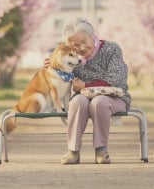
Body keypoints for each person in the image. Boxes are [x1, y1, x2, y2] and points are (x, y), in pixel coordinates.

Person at [52, 17, 131, 165]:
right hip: (84, 97)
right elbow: (59, 73)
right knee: (77, 102)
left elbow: (117, 80)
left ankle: (101, 149)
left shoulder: (111, 49)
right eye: (76, 45)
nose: (81, 48)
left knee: (99, 102)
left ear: (92, 36)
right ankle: (73, 151)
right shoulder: (74, 59)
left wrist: (86, 86)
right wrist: (53, 64)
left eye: (83, 42)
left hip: (114, 97)